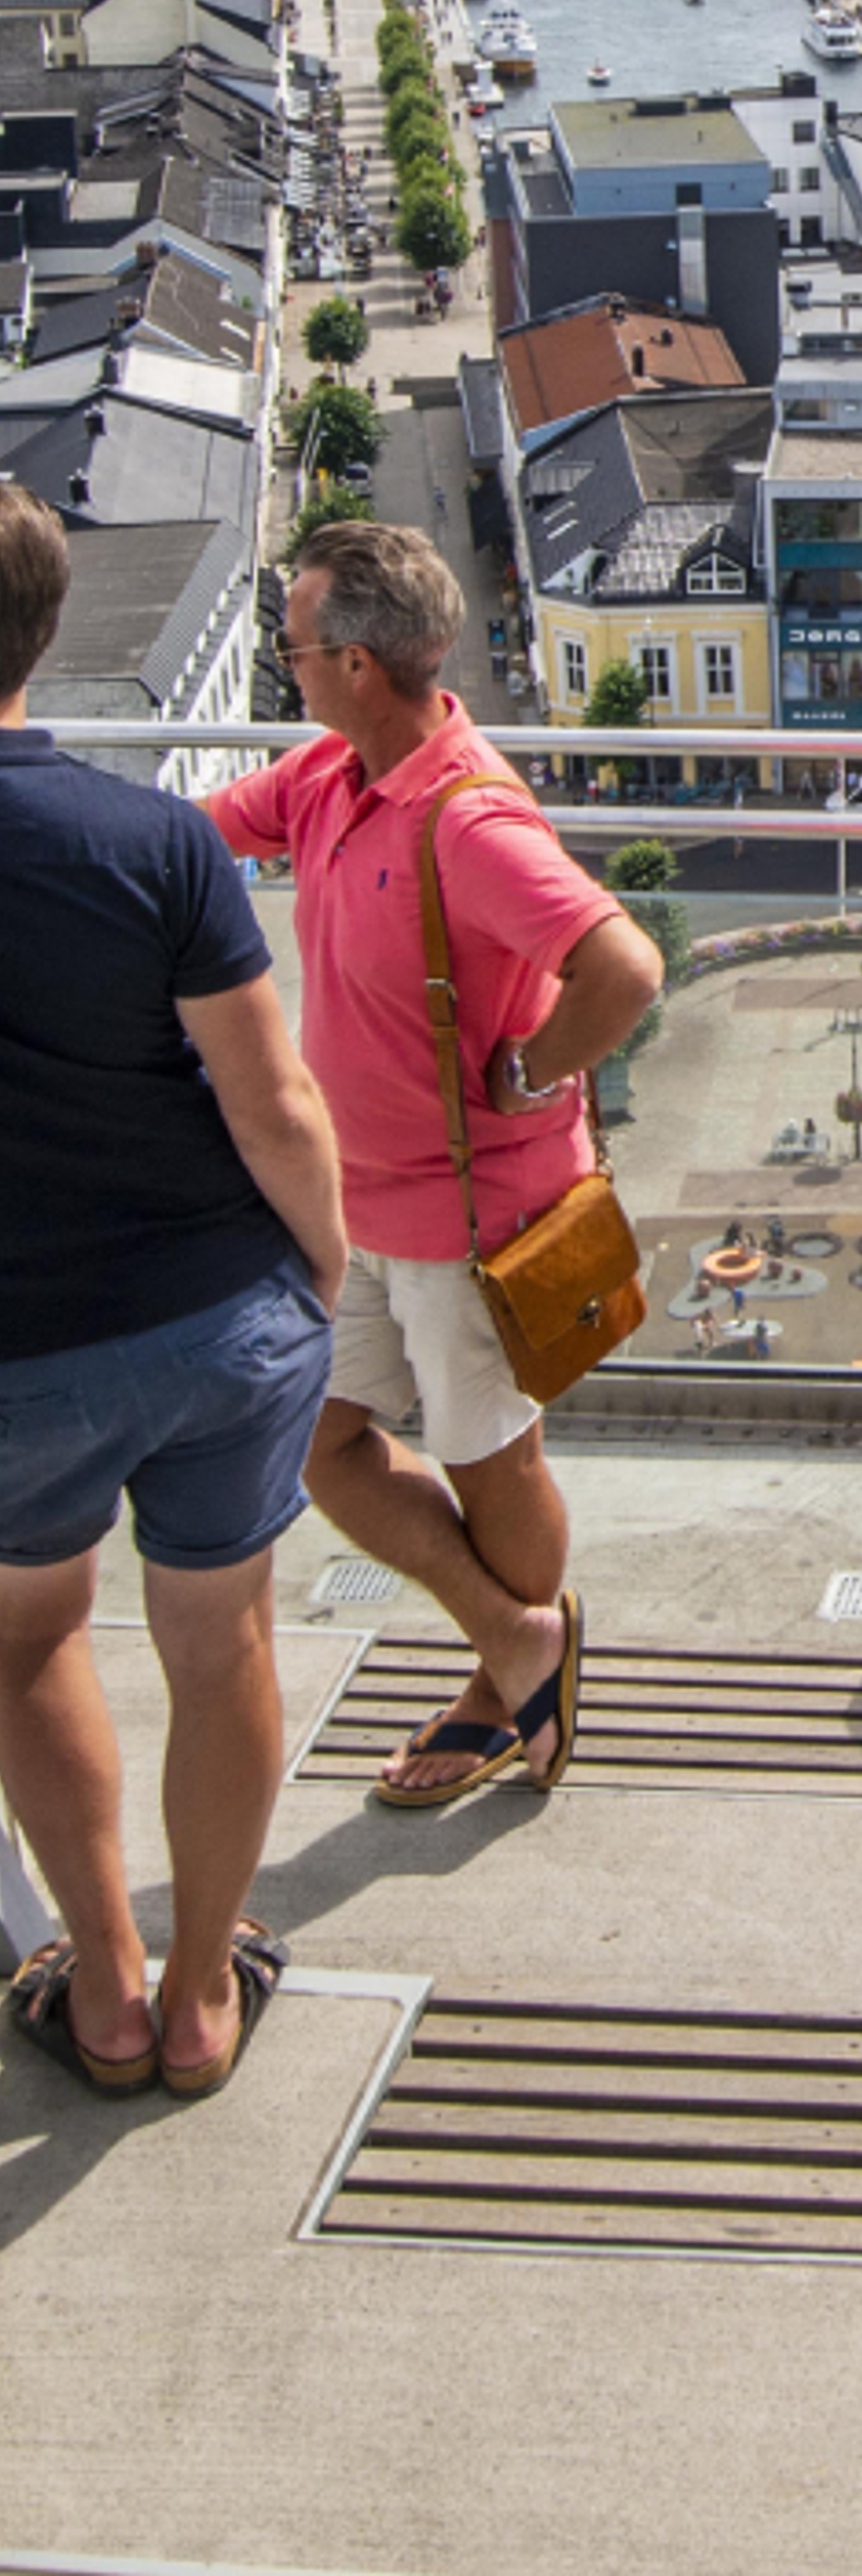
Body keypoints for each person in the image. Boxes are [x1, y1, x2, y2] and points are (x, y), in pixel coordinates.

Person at [206, 524, 663, 1809]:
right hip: (357, 1208)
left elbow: (623, 967)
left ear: (357, 661)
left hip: (477, 1220)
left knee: (492, 1461)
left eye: (294, 645)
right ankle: (521, 1638)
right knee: (318, 1439)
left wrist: (530, 1071)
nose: (284, 665)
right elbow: (191, 835)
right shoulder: (329, 778)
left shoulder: (464, 822)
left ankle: (504, 1680)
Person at [0, 486, 348, 2098]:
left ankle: (107, 1988)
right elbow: (273, 1100)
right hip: (216, 1315)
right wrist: (320, 1268)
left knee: (27, 1641)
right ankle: (208, 1992)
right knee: (223, 1642)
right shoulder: (150, 841)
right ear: (48, 632)